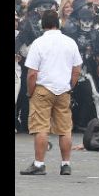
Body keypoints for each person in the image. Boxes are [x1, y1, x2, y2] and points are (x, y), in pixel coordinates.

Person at [20, 10, 83, 176]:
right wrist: (70, 85)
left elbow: (32, 73)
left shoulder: (38, 43)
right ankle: (65, 164)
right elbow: (77, 69)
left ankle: (39, 164)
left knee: (41, 127)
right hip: (63, 89)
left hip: (43, 89)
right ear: (59, 23)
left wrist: (30, 92)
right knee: (64, 129)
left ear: (42, 24)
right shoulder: (70, 42)